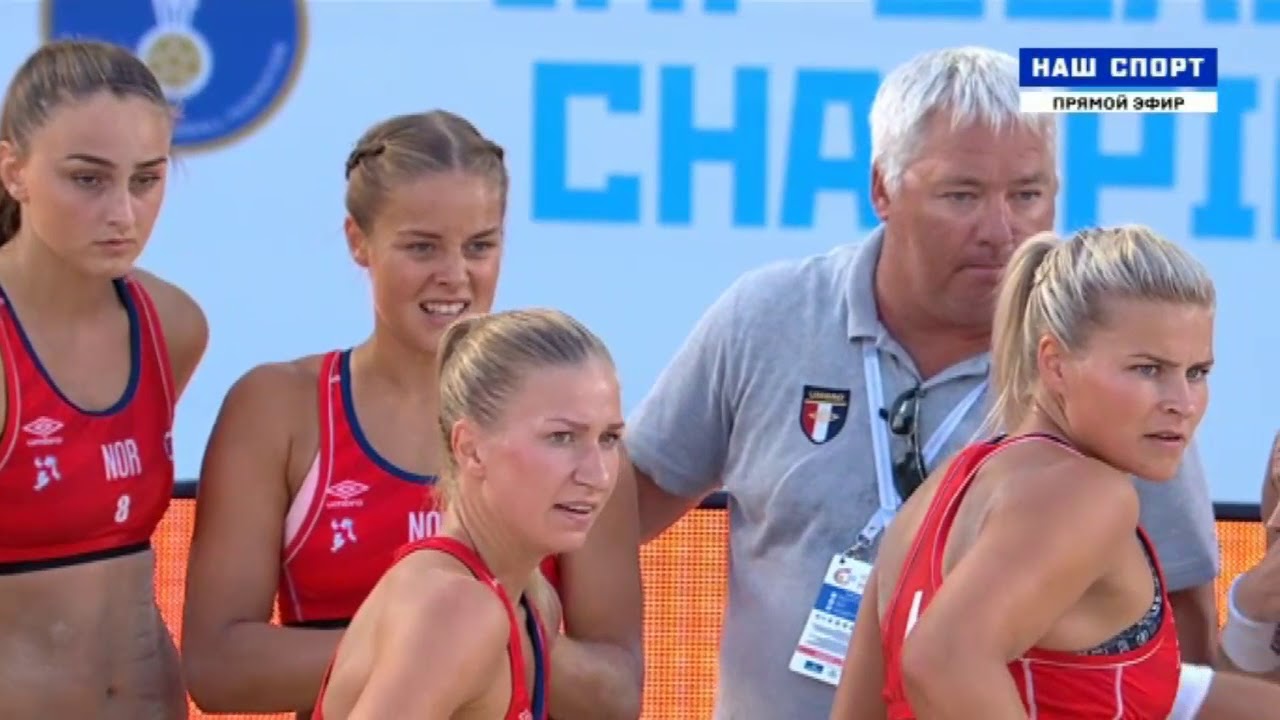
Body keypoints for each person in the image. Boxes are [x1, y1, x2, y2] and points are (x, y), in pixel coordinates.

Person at [621, 46, 1220, 720]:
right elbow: (614, 508)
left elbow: (1184, 636)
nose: (1002, 230)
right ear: (883, 188)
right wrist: (592, 659)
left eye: (1027, 194)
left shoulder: (1114, 384)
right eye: (961, 195)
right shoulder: (767, 316)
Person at [180, 111, 642, 719]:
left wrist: (471, 637)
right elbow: (218, 668)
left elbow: (618, 693)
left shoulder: (574, 431)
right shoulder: (281, 408)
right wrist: (441, 639)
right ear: (358, 241)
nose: (454, 275)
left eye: (480, 245)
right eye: (422, 246)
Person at [828, 225, 1280, 719]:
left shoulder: (937, 494)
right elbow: (943, 659)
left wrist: (1250, 626)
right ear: (1055, 364)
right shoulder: (1088, 494)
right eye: (1147, 369)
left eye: (1197, 372)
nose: (1183, 403)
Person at [0, 40, 208, 719]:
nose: (124, 213)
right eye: (88, 179)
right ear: (14, 171)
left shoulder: (172, 323)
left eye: (146, 180)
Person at [314, 307, 623, 719]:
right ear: (470, 448)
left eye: (609, 438)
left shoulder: (531, 598)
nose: (597, 474)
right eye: (561, 437)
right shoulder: (457, 607)